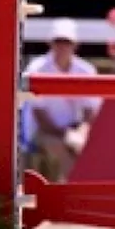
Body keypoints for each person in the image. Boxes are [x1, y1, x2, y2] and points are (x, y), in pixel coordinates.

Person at [21, 18, 100, 182]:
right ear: (50, 43)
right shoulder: (37, 69)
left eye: (67, 42)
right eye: (58, 41)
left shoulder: (85, 70)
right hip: (40, 132)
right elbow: (39, 115)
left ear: (75, 45)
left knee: (93, 146)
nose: (62, 46)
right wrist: (68, 136)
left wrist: (81, 132)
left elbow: (90, 111)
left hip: (72, 129)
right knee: (60, 148)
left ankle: (78, 190)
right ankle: (73, 190)